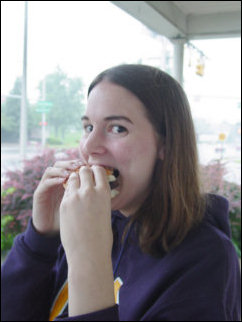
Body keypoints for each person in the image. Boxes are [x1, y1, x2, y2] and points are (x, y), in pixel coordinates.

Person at [1, 64, 241, 321]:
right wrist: (40, 239)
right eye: (88, 127)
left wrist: (88, 258)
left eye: (117, 128)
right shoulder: (91, 221)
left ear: (166, 145)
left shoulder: (206, 260)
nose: (89, 147)